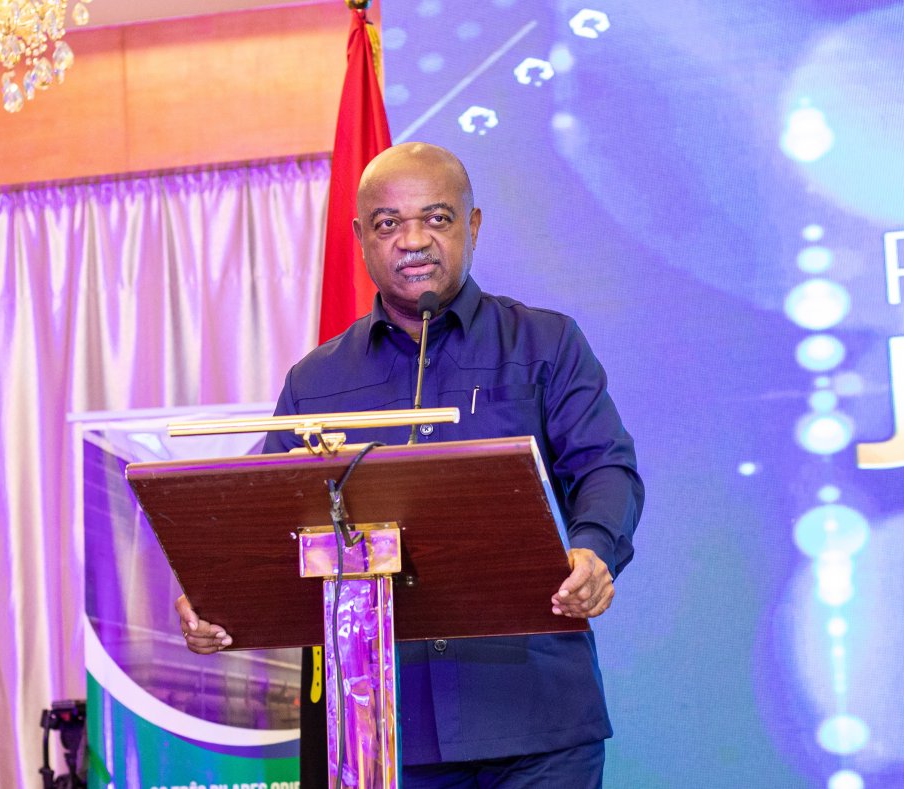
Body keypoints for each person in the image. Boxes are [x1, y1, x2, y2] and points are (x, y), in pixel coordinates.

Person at [176, 142, 644, 787]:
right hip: (386, 729)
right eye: (388, 223)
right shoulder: (315, 381)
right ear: (361, 238)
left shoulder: (546, 343)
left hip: (537, 717)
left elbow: (604, 467)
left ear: (472, 225)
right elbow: (268, 519)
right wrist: (217, 596)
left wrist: (594, 549)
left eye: (437, 218)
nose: (413, 240)